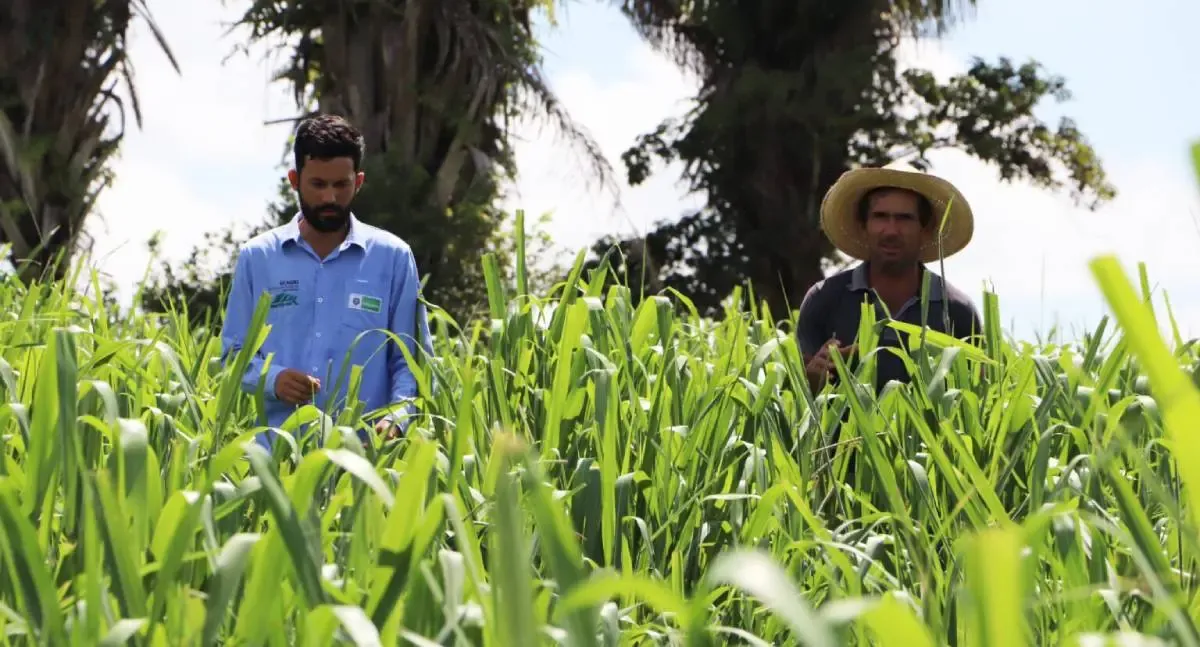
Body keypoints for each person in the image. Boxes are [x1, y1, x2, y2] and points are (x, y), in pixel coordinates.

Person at [220, 113, 432, 451]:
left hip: (365, 460)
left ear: (358, 182)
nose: (330, 198)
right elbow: (233, 356)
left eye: (341, 185)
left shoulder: (393, 258)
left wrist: (398, 416)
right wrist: (273, 379)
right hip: (278, 458)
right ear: (294, 180)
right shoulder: (258, 258)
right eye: (318, 185)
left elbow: (412, 362)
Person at [796, 165, 983, 392]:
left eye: (905, 218)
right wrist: (815, 378)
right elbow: (795, 392)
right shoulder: (824, 299)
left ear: (925, 230)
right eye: (880, 217)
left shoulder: (956, 310)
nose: (892, 231)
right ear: (863, 226)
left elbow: (977, 396)